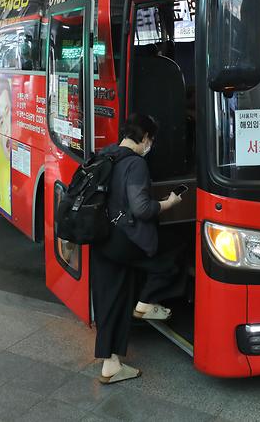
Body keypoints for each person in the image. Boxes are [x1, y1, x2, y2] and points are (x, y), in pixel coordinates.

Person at [91, 113, 185, 384]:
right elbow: (141, 209)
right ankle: (145, 303)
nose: (150, 144)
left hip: (102, 238)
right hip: (125, 241)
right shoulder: (136, 164)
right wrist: (169, 203)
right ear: (144, 137)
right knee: (174, 250)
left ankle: (111, 364)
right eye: (151, 139)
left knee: (111, 301)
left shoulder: (107, 154)